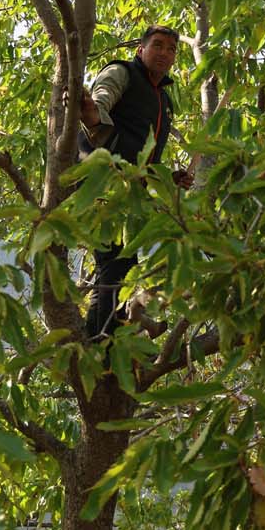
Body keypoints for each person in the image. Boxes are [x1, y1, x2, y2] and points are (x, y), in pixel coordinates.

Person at [77, 24, 193, 339]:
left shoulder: (162, 100)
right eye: (157, 45)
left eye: (171, 49)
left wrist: (168, 175)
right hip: (101, 184)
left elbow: (142, 155)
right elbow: (100, 101)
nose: (165, 53)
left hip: (132, 193)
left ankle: (111, 334)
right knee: (115, 267)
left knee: (122, 267)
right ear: (141, 49)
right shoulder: (122, 72)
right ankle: (101, 347)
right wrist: (93, 118)